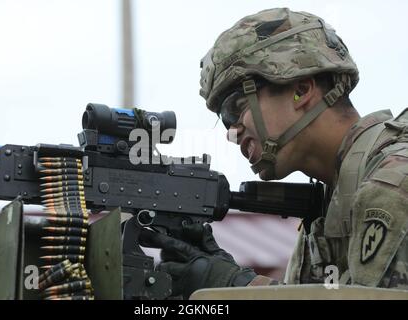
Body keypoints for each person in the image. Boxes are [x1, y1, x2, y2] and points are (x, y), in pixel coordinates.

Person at [139, 7, 408, 299]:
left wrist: (236, 285)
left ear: (302, 90)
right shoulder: (328, 207)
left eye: (235, 110)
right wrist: (223, 278)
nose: (232, 133)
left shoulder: (392, 182)